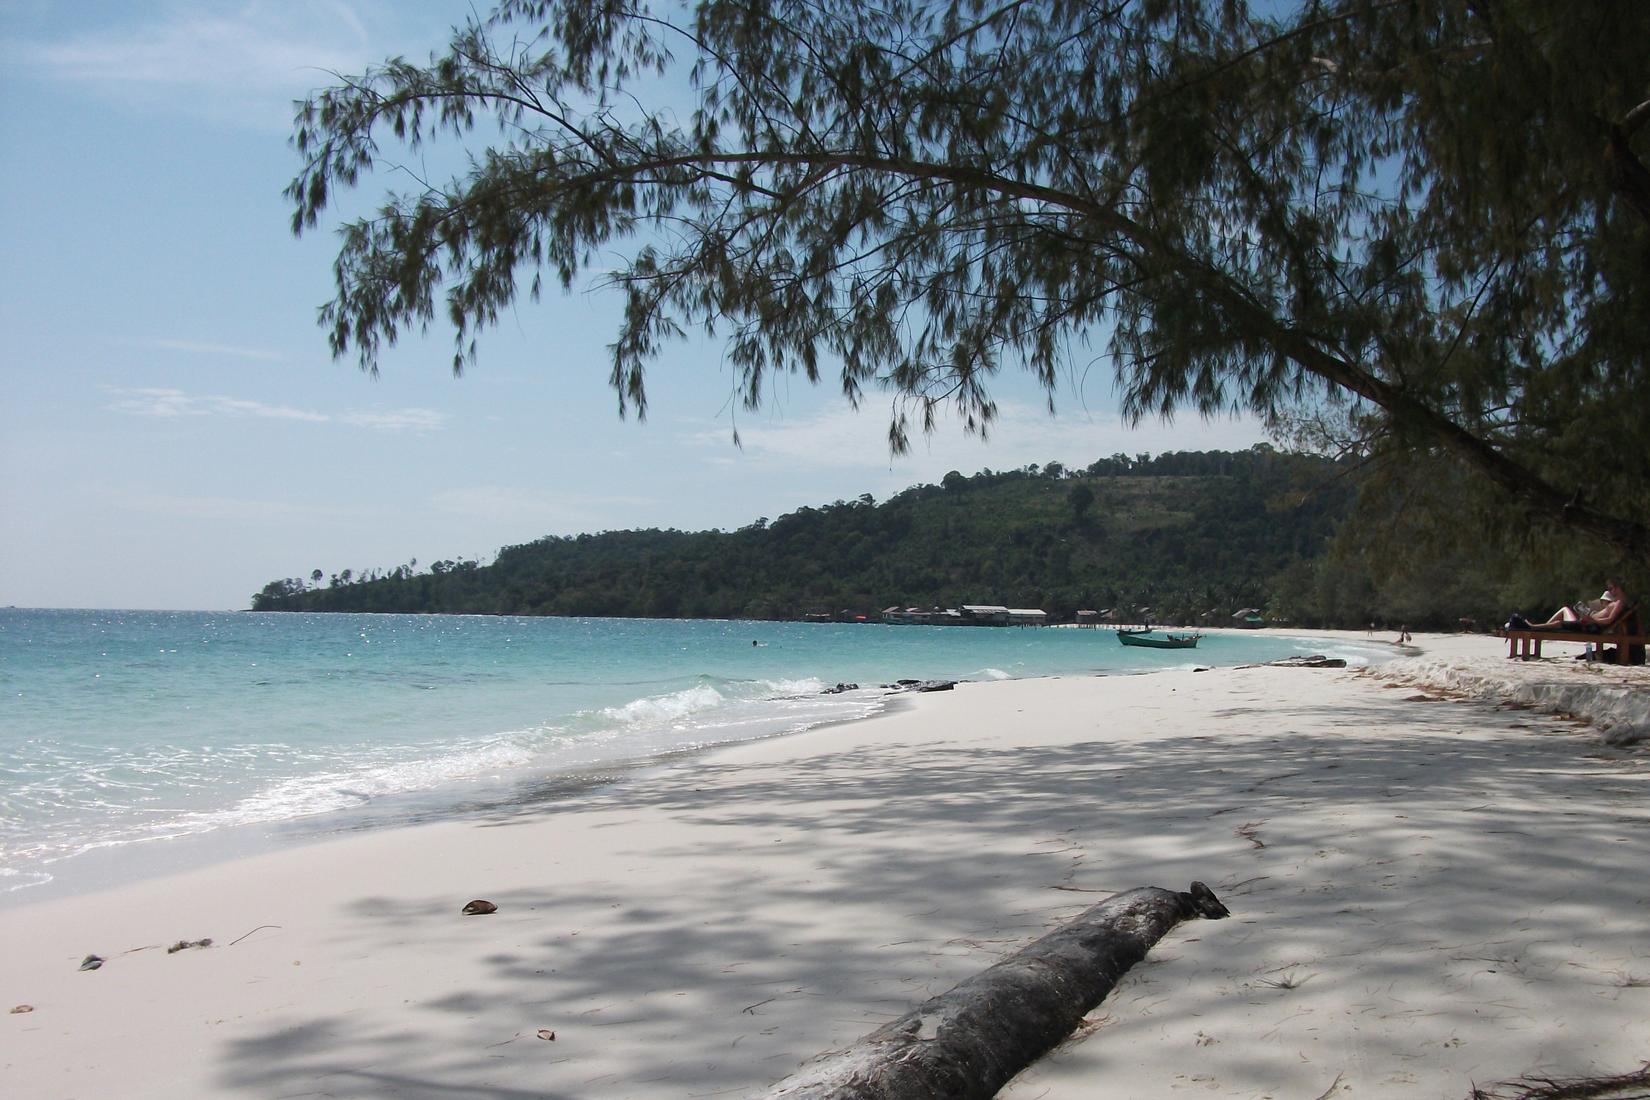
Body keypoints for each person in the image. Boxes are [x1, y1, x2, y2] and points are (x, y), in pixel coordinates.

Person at [1507, 579, 1627, 633]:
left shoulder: (1619, 602)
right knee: (1565, 610)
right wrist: (1590, 615)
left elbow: (1609, 620)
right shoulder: (1617, 602)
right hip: (1589, 622)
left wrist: (1592, 619)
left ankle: (1534, 628)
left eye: (1611, 588)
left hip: (1590, 626)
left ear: (1618, 588)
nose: (1610, 591)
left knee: (1560, 623)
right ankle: (1541, 628)